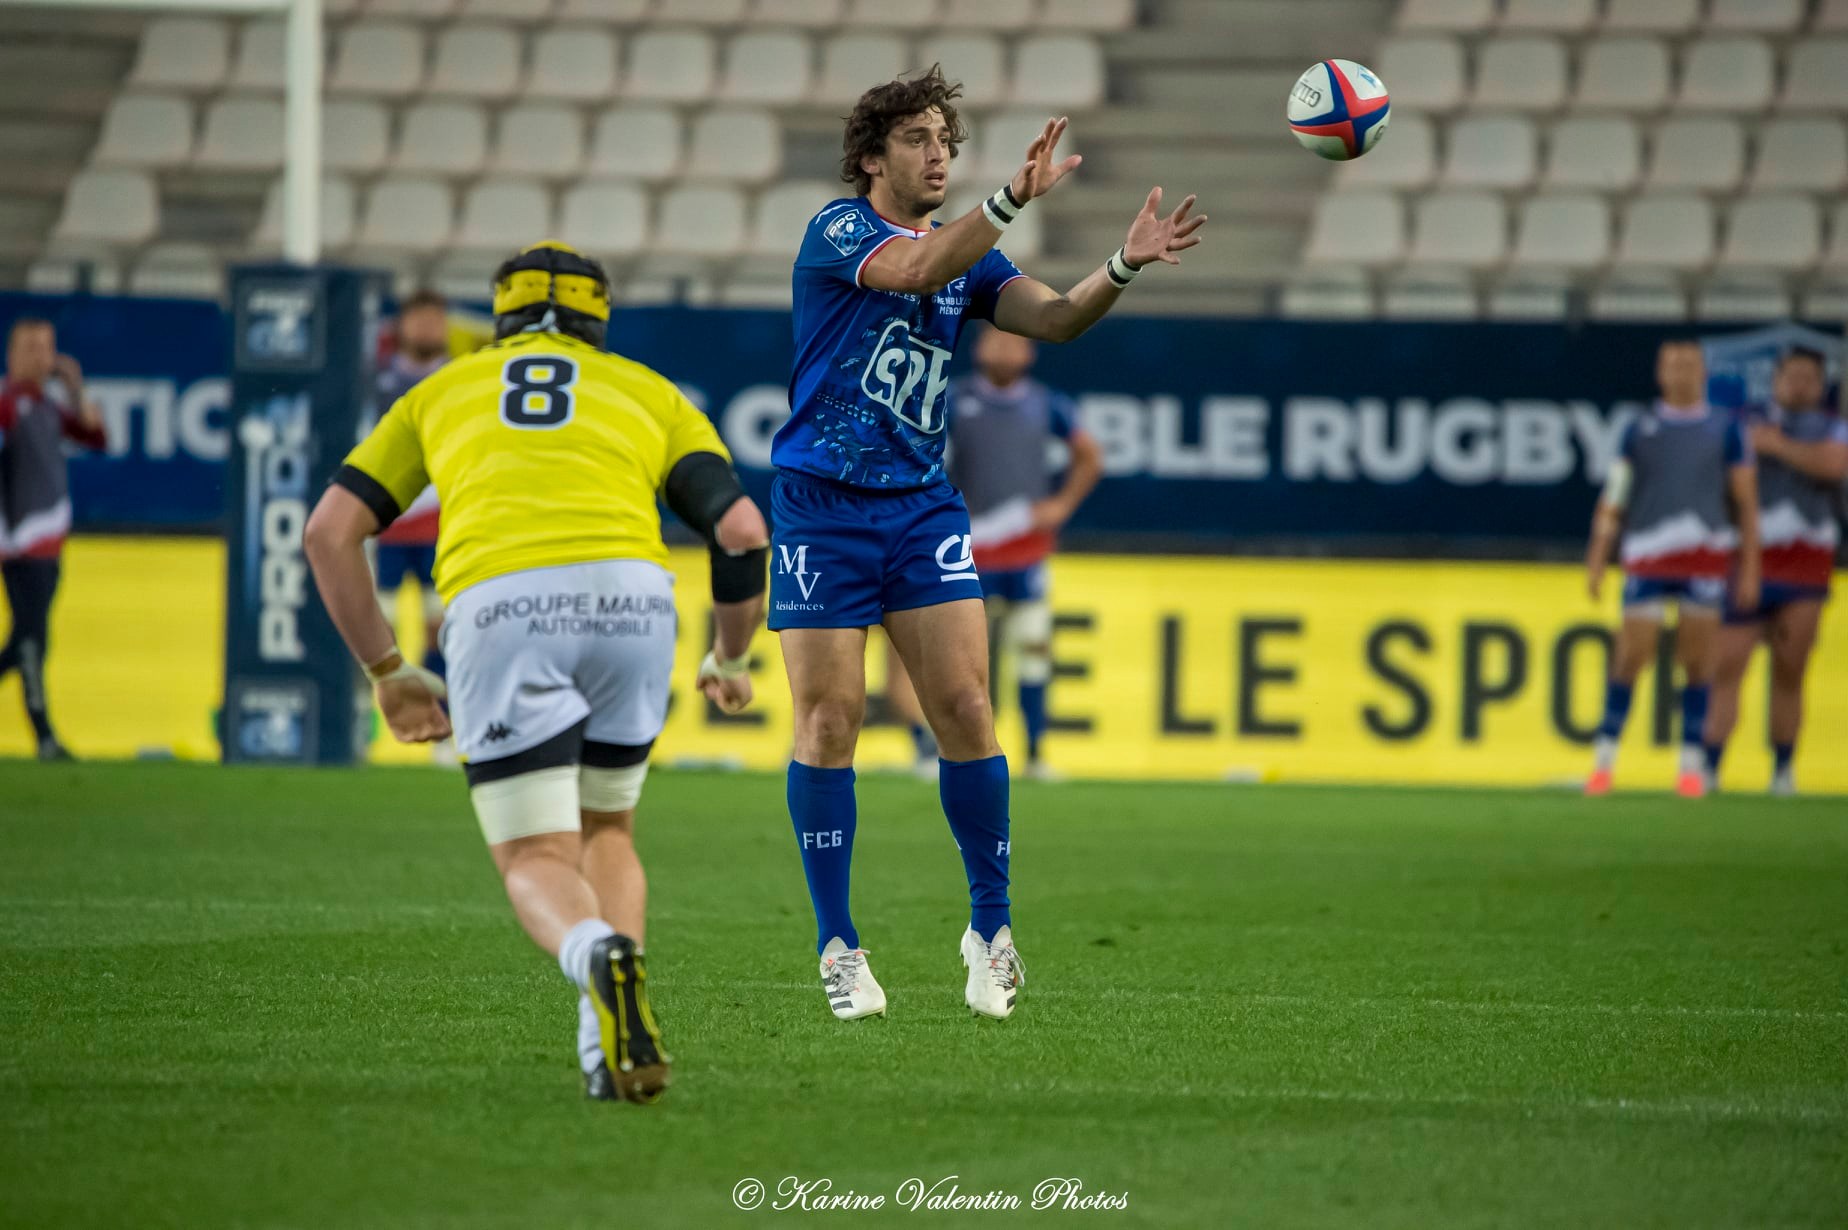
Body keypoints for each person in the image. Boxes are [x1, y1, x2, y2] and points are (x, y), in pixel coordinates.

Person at [772, 66, 1205, 1022]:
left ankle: (990, 930)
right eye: (918, 140)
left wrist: (1122, 264)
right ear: (870, 157)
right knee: (831, 722)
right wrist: (1010, 198)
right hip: (820, 508)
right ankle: (839, 944)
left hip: (920, 508)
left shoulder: (970, 257)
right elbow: (915, 270)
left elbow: (1055, 319)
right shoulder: (837, 230)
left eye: (946, 141)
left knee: (968, 707)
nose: (938, 156)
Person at [303, 243, 768, 1102]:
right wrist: (731, 655)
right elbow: (741, 531)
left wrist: (388, 669)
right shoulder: (650, 391)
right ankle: (604, 1049)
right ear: (599, 319)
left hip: (504, 604)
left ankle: (594, 953)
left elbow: (329, 532)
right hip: (634, 601)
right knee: (609, 830)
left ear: (501, 315)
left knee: (533, 853)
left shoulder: (441, 389)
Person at [1583, 340, 1759, 799]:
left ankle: (1690, 767)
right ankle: (1604, 761)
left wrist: (1750, 567)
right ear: (1660, 373)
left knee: (1698, 661)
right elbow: (1616, 494)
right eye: (1673, 365)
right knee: (1631, 655)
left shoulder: (1726, 428)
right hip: (1648, 551)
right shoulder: (1639, 428)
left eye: (1689, 364)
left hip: (1704, 553)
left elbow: (1745, 501)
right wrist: (1599, 552)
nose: (1681, 372)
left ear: (1703, 372)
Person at [948, 326, 1102, 779]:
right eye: (994, 341)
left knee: (1033, 648)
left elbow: (1089, 455)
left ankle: (1034, 751)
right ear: (978, 348)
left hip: (1026, 550)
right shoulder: (954, 400)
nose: (1003, 350)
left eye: (1013, 342)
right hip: (969, 548)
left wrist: (1062, 504)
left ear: (1030, 352)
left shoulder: (1046, 403)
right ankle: (944, 749)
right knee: (959, 657)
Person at [1702, 347, 1848, 795]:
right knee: (1727, 665)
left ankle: (1783, 771)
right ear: (1776, 380)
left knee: (1790, 669)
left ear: (1821, 384)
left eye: (1809, 378)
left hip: (1806, 561)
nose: (1800, 385)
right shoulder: (1745, 421)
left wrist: (1779, 446)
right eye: (1793, 376)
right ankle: (1708, 767)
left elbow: (1835, 464)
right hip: (1750, 558)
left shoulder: (1833, 427)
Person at [0, 317, 107, 760]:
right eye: (31, 348)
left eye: (47, 347)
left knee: (29, 639)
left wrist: (75, 388)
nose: (41, 357)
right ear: (12, 354)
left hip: (48, 543)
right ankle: (44, 736)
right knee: (30, 637)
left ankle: (45, 737)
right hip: (19, 543)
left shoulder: (46, 406)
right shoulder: (8, 403)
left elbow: (95, 436)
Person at [371, 290, 452, 698]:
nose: (428, 329)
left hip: (440, 523)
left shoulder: (458, 380)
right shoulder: (374, 381)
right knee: (378, 625)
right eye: (420, 320)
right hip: (383, 522)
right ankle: (373, 708)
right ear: (401, 325)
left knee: (440, 626)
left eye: (435, 320)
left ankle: (439, 708)